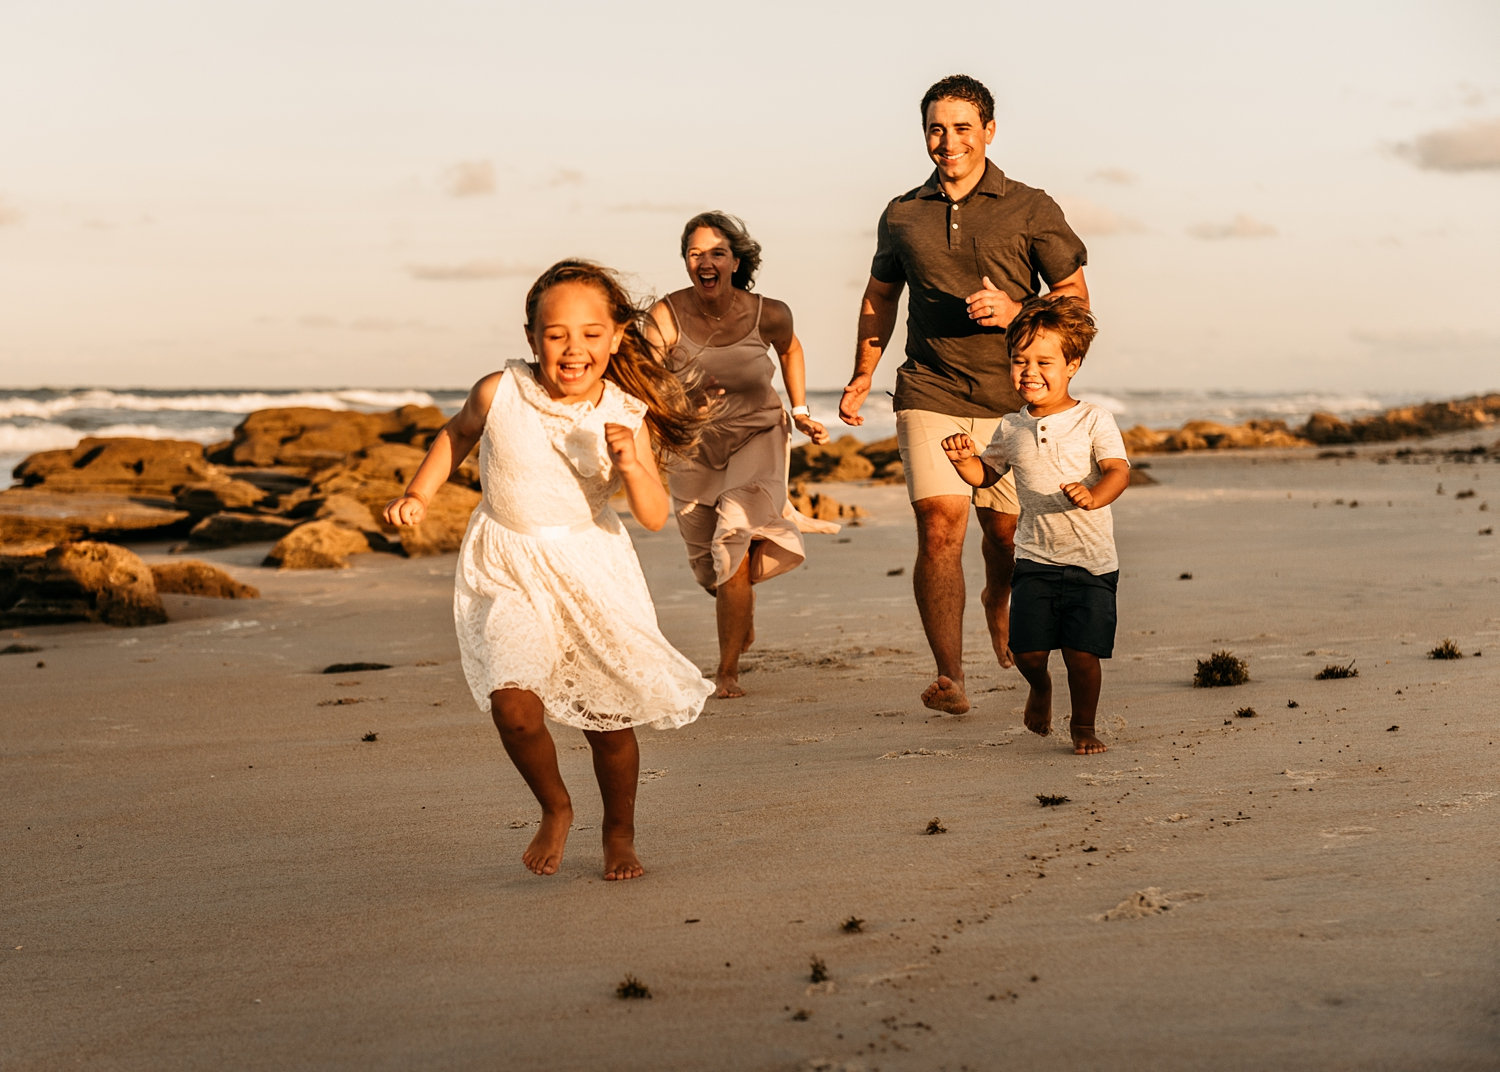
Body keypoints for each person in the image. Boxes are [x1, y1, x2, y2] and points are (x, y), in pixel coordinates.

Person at [383, 260, 714, 881]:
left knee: (609, 722)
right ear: (532, 335)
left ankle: (620, 831)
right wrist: (419, 494)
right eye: (556, 332)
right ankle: (555, 806)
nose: (573, 347)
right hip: (506, 561)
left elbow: (651, 515)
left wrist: (634, 465)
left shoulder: (623, 412)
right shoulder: (498, 391)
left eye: (591, 333)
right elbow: (456, 435)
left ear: (616, 338)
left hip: (589, 569)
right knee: (513, 707)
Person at [839, 73, 1089, 716]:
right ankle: (950, 676)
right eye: (935, 128)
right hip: (929, 385)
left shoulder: (1031, 207)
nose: (947, 141)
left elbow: (1078, 302)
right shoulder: (902, 214)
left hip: (1013, 398)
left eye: (961, 128)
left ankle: (996, 599)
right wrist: (864, 373)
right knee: (939, 525)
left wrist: (1017, 309)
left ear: (989, 132)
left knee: (1004, 537)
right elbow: (879, 297)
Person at [648, 211, 835, 700]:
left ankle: (727, 669)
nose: (705, 262)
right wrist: (678, 408)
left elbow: (790, 350)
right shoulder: (665, 317)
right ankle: (739, 610)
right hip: (692, 442)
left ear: (735, 260)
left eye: (716, 253)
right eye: (695, 254)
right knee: (708, 566)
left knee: (732, 537)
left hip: (757, 433)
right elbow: (646, 382)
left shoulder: (768, 312)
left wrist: (800, 409)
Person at [940, 296, 1127, 754]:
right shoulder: (1011, 426)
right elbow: (987, 474)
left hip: (1091, 563)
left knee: (1082, 656)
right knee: (1026, 652)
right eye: (1019, 360)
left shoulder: (1093, 419)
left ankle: (1083, 726)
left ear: (1073, 364)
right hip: (1034, 558)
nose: (1029, 371)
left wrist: (1094, 494)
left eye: (1044, 361)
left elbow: (1119, 471)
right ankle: (1040, 688)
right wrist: (964, 460)